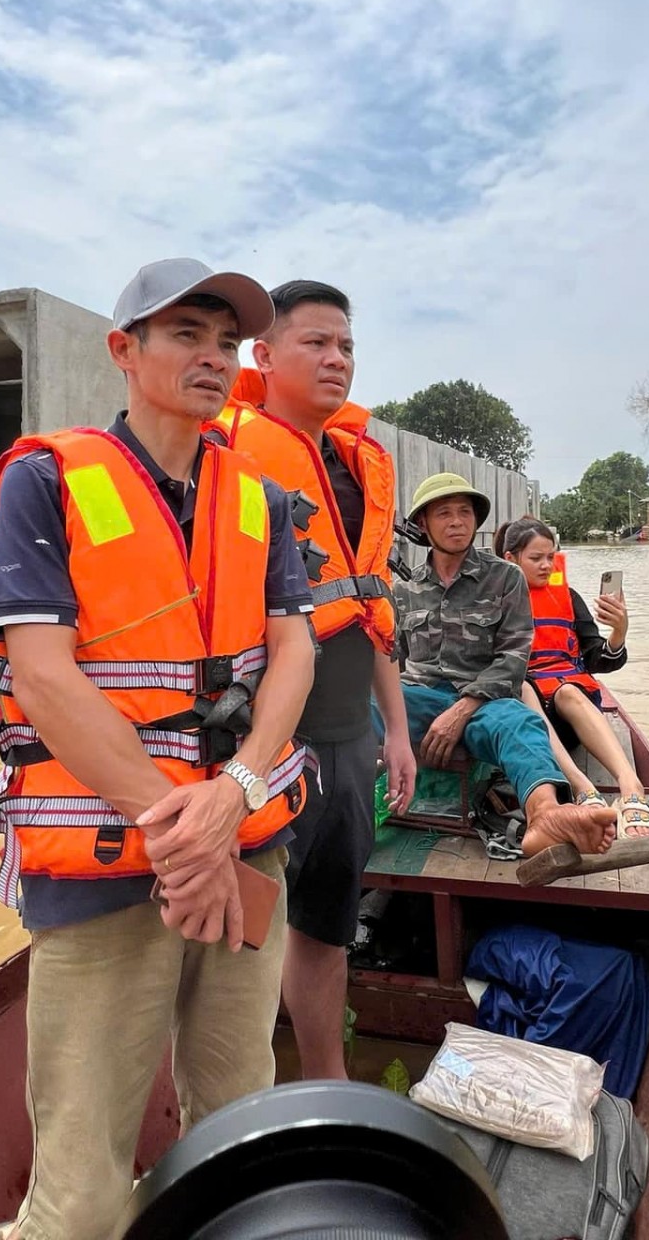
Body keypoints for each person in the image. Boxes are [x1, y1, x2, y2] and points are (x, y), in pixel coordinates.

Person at [0, 258, 317, 1240]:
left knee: (238, 1131)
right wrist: (183, 835)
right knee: (83, 1202)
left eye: (227, 342)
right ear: (125, 350)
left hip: (243, 849)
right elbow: (45, 678)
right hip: (113, 866)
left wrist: (232, 796)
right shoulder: (43, 480)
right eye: (186, 334)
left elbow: (294, 653)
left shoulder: (260, 500)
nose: (213, 358)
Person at [208, 278, 417, 1082]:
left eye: (348, 347)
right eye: (316, 344)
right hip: (260, 746)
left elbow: (371, 609)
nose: (337, 360)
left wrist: (393, 730)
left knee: (327, 930)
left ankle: (327, 1081)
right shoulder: (221, 454)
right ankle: (234, 1100)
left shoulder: (358, 465)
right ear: (264, 355)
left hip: (348, 736)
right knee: (240, 937)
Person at [393, 474, 618, 859]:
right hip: (420, 699)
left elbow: (514, 657)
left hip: (485, 704)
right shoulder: (404, 589)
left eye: (465, 512)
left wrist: (462, 710)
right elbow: (393, 663)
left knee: (523, 724)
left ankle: (546, 816)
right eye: (444, 513)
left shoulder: (505, 577)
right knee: (364, 709)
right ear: (421, 524)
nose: (457, 522)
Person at [494, 516, 649, 839]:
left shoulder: (567, 597)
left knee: (568, 690)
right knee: (523, 686)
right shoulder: (491, 602)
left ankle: (631, 786)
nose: (546, 566)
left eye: (550, 557)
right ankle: (583, 787)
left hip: (571, 719)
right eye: (536, 558)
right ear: (510, 559)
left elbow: (599, 659)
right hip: (526, 722)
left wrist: (619, 632)